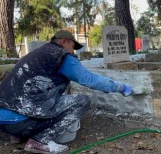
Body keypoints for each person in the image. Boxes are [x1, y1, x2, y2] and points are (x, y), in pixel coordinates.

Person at [0, 29, 134, 153]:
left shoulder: (37, 54)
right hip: (21, 121)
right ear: (64, 42)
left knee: (43, 100)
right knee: (82, 101)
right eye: (72, 47)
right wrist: (121, 87)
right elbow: (90, 80)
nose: (73, 52)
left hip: (4, 120)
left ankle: (18, 136)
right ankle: (39, 141)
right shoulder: (61, 56)